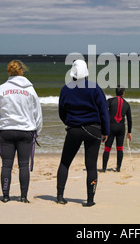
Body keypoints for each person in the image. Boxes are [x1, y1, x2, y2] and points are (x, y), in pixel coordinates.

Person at [57, 60, 110, 207]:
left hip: (73, 130)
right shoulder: (95, 88)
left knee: (65, 163)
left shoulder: (65, 89)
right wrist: (106, 131)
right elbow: (104, 112)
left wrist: (69, 122)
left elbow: (61, 112)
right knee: (91, 166)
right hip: (94, 130)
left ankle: (60, 196)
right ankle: (90, 200)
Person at [0, 60, 43, 203]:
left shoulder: (0, 89)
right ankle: (23, 196)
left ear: (9, 71)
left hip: (6, 130)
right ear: (21, 70)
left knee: (6, 164)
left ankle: (5, 195)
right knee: (23, 165)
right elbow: (37, 113)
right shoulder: (30, 89)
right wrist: (37, 129)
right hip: (25, 130)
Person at [102, 85, 132, 172]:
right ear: (123, 93)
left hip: (110, 127)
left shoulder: (110, 101)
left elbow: (103, 109)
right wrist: (129, 132)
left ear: (116, 92)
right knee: (120, 148)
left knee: (107, 148)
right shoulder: (127, 104)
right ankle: (118, 168)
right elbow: (129, 120)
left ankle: (104, 168)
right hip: (121, 128)